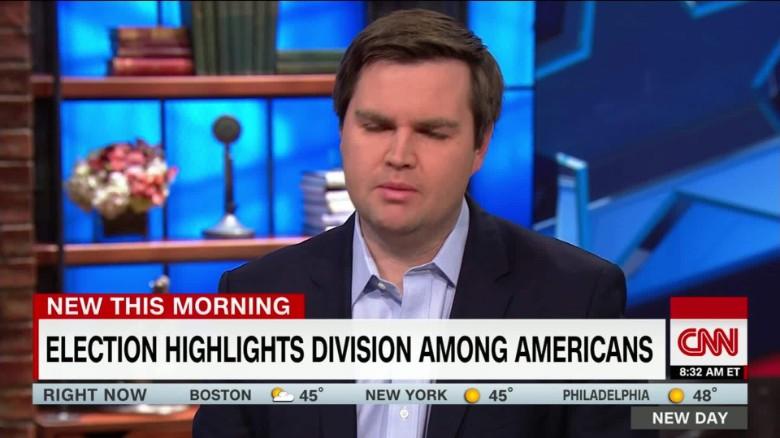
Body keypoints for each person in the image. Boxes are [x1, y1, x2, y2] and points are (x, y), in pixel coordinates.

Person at [194, 9, 639, 438]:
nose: (399, 156)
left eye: (432, 132)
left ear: (480, 146)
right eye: (376, 126)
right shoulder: (254, 298)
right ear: (342, 131)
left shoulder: (577, 300)